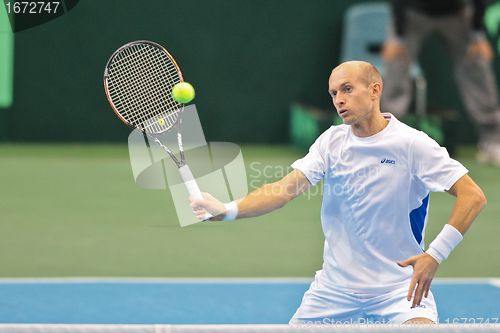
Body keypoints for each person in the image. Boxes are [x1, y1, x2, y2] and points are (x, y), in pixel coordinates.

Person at [191, 61, 487, 324]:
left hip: (399, 292)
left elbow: (473, 196)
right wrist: (227, 210)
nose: (339, 100)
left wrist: (434, 255)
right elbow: (283, 190)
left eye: (347, 89)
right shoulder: (331, 142)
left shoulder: (412, 144)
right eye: (334, 94)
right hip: (333, 292)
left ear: (374, 90)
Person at [381, 0, 500, 166]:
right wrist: (399, 38)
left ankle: (493, 141)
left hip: (457, 14)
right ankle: (385, 141)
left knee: (476, 66)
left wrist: (477, 35)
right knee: (396, 66)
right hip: (412, 14)